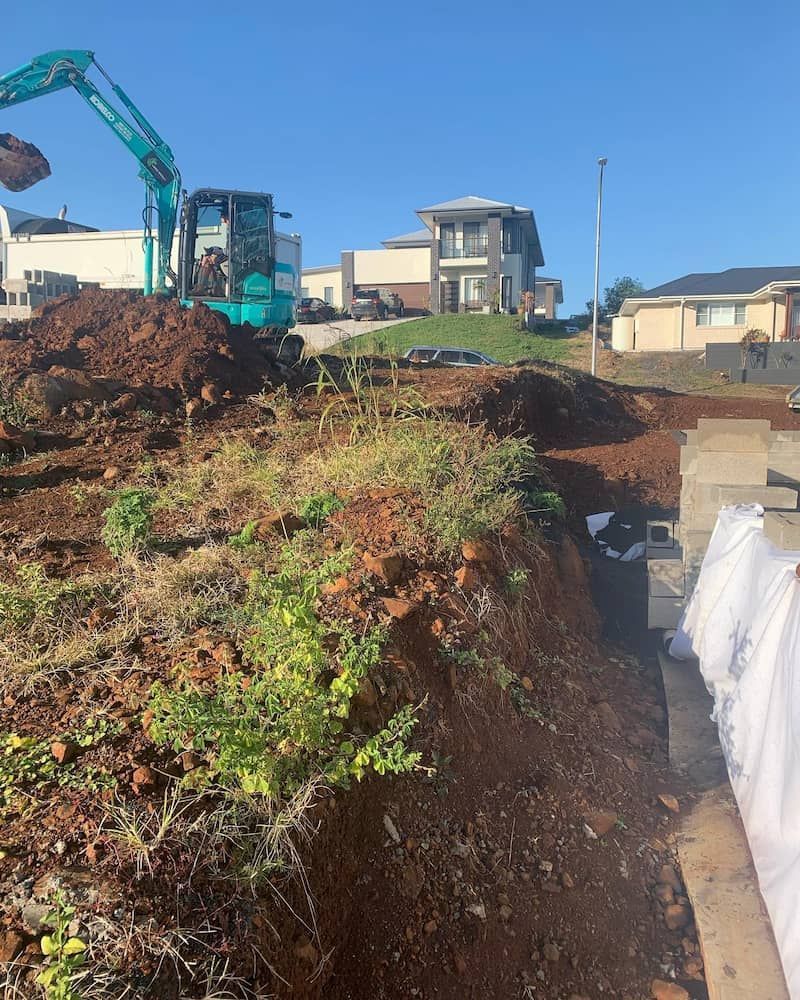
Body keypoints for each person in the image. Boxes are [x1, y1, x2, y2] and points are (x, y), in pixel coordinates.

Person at [194, 207, 229, 297]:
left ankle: (201, 288)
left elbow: (232, 250)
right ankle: (213, 289)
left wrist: (219, 253)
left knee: (208, 260)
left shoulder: (236, 231)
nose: (224, 223)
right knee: (207, 258)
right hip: (232, 256)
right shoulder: (233, 231)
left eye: (225, 220)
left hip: (236, 259)